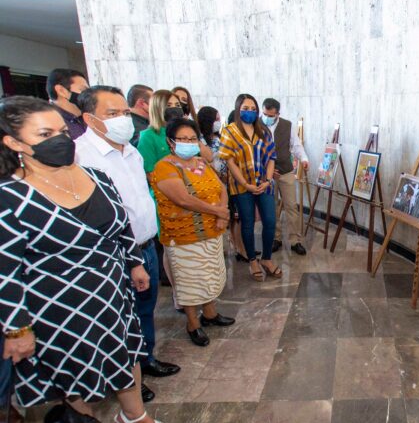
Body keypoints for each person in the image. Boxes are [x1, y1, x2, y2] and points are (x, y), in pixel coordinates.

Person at [0, 96, 169, 423]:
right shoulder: (9, 197)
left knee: (125, 354)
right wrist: (17, 329)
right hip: (58, 306)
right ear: (14, 143)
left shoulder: (96, 176)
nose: (59, 140)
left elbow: (121, 228)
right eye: (44, 134)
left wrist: (135, 264)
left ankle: (134, 415)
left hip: (111, 292)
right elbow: (5, 272)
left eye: (61, 131)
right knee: (76, 372)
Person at [75, 85, 181, 405]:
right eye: (112, 114)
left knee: (144, 310)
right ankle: (124, 378)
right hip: (113, 252)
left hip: (144, 244)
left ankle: (144, 360)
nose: (123, 119)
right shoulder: (81, 155)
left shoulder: (130, 149)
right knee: (121, 319)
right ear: (90, 119)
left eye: (124, 112)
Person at [150, 118, 235, 347]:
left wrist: (221, 213)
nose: (188, 143)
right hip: (184, 237)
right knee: (189, 280)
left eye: (192, 139)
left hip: (211, 231)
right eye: (182, 139)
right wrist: (217, 211)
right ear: (170, 141)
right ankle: (192, 323)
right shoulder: (164, 167)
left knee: (210, 274)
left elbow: (220, 188)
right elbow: (183, 199)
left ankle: (209, 314)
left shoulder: (200, 163)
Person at [218, 94, 282, 281]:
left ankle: (267, 259)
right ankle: (252, 260)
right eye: (246, 108)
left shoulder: (264, 131)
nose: (250, 112)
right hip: (241, 186)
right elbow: (229, 162)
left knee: (270, 221)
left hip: (264, 184)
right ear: (238, 109)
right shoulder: (229, 131)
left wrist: (268, 180)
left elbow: (271, 158)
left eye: (253, 108)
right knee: (247, 223)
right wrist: (246, 184)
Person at [261, 98, 308, 255]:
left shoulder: (287, 125)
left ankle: (295, 240)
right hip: (266, 174)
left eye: (271, 115)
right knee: (272, 208)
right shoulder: (257, 125)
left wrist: (304, 159)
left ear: (277, 114)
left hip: (286, 172)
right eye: (265, 114)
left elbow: (296, 145)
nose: (267, 117)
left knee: (291, 206)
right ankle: (276, 238)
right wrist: (265, 171)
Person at [46, 68, 89, 140]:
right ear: (61, 91)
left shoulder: (88, 118)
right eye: (83, 90)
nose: (88, 95)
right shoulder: (46, 123)